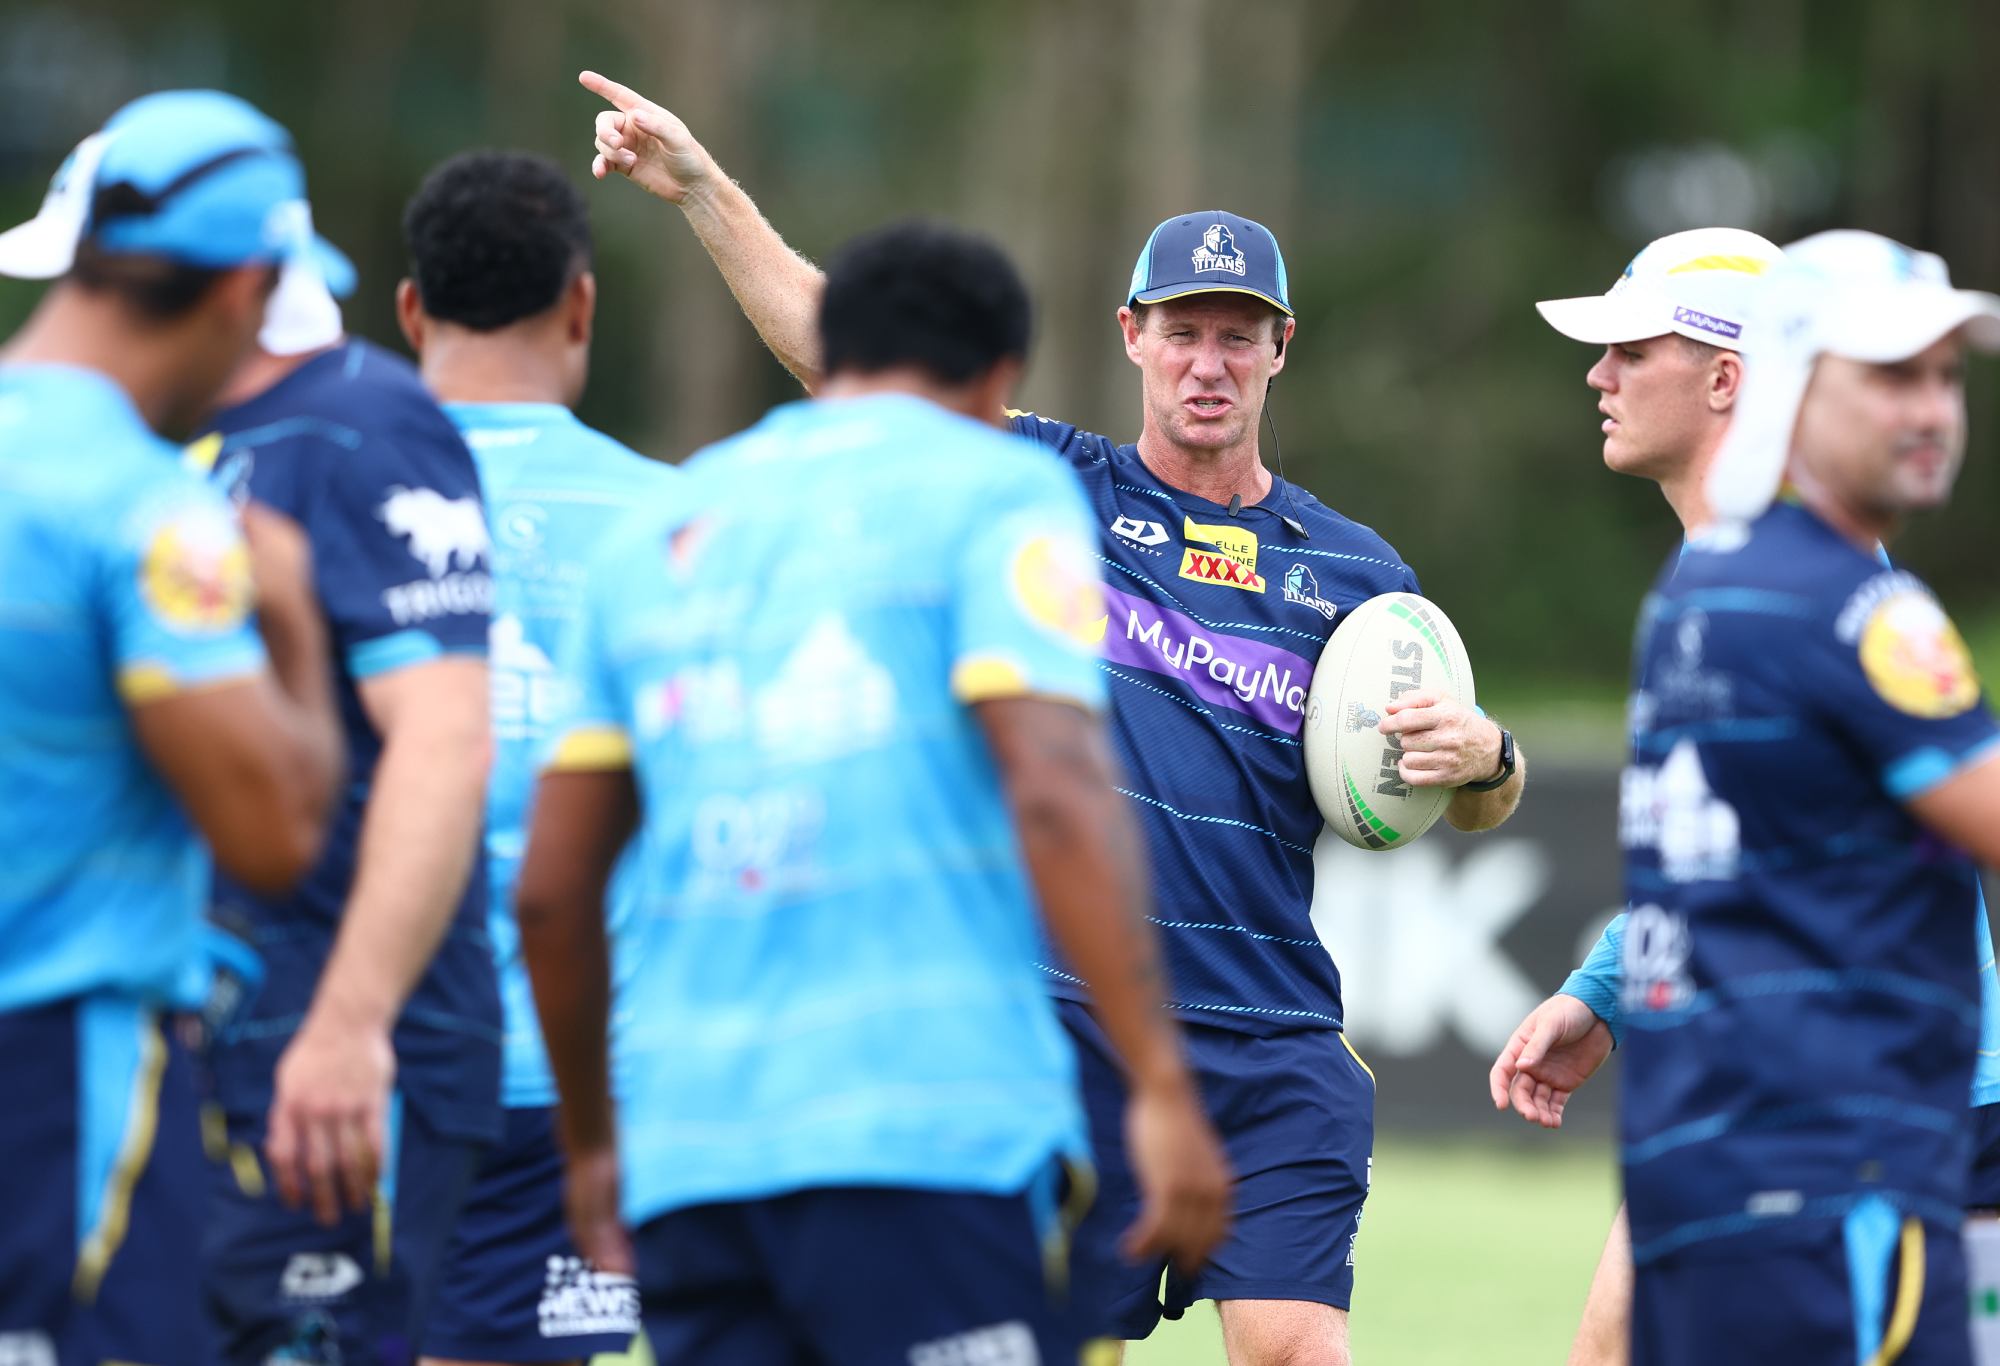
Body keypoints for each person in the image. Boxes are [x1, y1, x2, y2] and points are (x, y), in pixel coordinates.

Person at [577, 70, 1527, 1364]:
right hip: (1077, 1022)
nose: (1209, 363)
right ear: (1131, 333)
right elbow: (842, 353)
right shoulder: (1046, 484)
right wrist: (700, 188)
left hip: (1277, 1036)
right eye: (1183, 330)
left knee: (1301, 1346)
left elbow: (1451, 790)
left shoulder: (1361, 578)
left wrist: (1490, 757)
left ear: (1280, 348)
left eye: (1238, 334)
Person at [518, 219, 1229, 1364]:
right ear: (1000, 376)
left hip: (691, 1154)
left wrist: (593, 1140)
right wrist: (1157, 1080)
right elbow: (1052, 787)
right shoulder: (1001, 491)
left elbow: (551, 890)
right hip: (931, 1137)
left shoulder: (661, 526)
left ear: (832, 353)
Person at [1506, 226, 2000, 1365]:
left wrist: (1600, 990)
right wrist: (1604, 989)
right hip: (1808, 1157)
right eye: (1890, 376)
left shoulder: (1752, 596)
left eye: (1941, 377)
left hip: (1823, 1146)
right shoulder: (1788, 595)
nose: (1929, 410)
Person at [0, 90, 345, 1364]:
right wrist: (298, 634)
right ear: (245, 288)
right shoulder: (152, 515)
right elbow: (270, 836)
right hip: (56, 1087)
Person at [192, 166, 502, 1363]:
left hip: (352, 1058)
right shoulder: (215, 437)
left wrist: (347, 1023)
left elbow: (443, 736)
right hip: (231, 1035)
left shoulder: (369, 420)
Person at [395, 148, 675, 1365]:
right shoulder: (676, 520)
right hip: (571, 1080)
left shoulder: (290, 486)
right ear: (581, 306)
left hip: (335, 1058)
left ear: (410, 309)